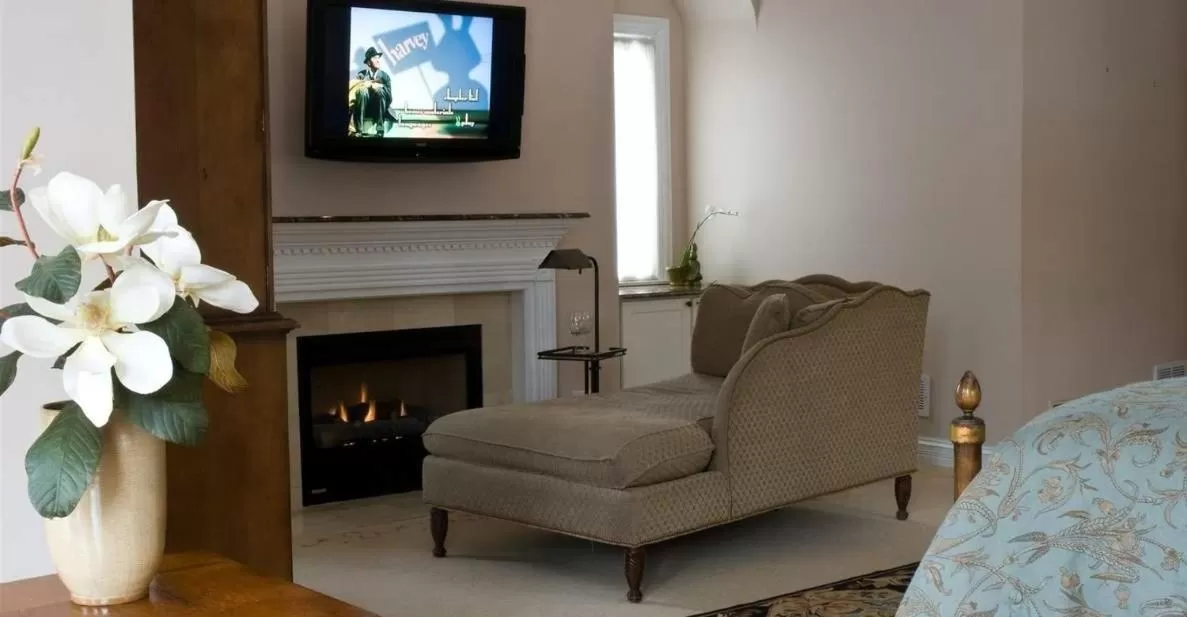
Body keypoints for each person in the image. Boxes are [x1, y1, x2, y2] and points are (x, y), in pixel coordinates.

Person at [349, 47, 394, 137]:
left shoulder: (385, 77)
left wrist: (381, 88)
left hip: (379, 109)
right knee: (362, 90)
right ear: (369, 62)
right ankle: (359, 130)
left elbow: (389, 98)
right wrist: (369, 85)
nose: (378, 60)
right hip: (363, 108)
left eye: (378, 58)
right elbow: (355, 91)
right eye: (375, 58)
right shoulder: (361, 75)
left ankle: (380, 130)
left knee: (379, 90)